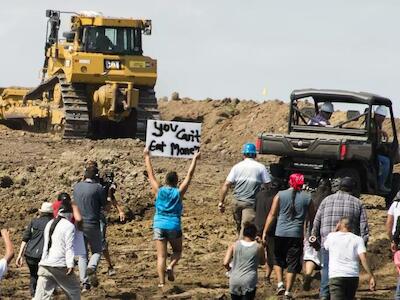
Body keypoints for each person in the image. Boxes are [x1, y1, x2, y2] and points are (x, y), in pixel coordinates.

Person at [144, 148, 200, 287]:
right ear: (176, 182)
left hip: (159, 224)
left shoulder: (159, 190)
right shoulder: (179, 192)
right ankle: (171, 266)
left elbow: (150, 174)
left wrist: (147, 156)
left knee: (161, 256)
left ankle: (162, 283)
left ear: (165, 180)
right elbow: (189, 175)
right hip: (173, 225)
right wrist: (194, 159)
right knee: (177, 251)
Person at [310, 177, 369, 300]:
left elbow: (317, 220)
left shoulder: (326, 200)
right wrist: (363, 244)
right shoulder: (358, 203)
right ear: (352, 188)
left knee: (327, 266)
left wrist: (313, 235)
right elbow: (364, 227)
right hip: (349, 242)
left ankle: (325, 294)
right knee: (346, 266)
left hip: (328, 240)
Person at [262, 173, 314, 299]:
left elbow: (272, 214)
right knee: (293, 263)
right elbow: (312, 217)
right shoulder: (307, 197)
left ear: (290, 182)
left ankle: (280, 284)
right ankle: (288, 291)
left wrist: (265, 231)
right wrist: (311, 232)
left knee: (277, 258)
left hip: (280, 233)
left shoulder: (280, 195)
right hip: (296, 235)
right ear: (302, 184)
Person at [219, 143, 271, 237]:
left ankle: (240, 245)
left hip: (236, 202)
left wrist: (221, 202)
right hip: (250, 203)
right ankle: (242, 247)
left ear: (243, 154)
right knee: (246, 229)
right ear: (255, 154)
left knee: (239, 227)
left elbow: (226, 184)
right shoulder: (260, 168)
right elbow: (268, 185)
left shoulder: (236, 167)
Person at [34, 202, 81, 299]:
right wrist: (70, 264)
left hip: (45, 264)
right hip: (59, 265)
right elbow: (69, 247)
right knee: (74, 291)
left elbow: (46, 245)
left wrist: (42, 261)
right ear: (69, 213)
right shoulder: (69, 226)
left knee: (40, 296)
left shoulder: (50, 223)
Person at [324, 217, 375, 299]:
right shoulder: (358, 239)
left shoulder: (331, 236)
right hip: (352, 275)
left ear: (341, 224)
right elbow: (363, 259)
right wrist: (371, 276)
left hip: (336, 276)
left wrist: (335, 229)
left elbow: (326, 246)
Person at [73, 165, 106, 291]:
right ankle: (92, 266)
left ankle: (85, 284)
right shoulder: (98, 188)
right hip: (93, 224)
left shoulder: (76, 187)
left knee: (82, 255)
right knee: (97, 251)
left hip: (79, 224)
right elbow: (105, 207)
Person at [16, 202, 53, 297]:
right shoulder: (53, 223)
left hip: (30, 254)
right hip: (44, 255)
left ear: (41, 212)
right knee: (44, 277)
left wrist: (20, 255)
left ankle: (33, 294)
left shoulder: (33, 222)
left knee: (33, 275)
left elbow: (25, 239)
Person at [53, 193, 87, 291]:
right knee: (81, 256)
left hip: (57, 231)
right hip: (71, 229)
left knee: (59, 255)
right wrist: (80, 227)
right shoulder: (72, 205)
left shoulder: (55, 205)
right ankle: (84, 282)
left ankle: (58, 284)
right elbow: (79, 219)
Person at [303, 178, 332, 291]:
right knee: (325, 259)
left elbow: (307, 217)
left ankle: (308, 274)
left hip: (312, 230)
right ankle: (324, 285)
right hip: (326, 231)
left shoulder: (312, 197)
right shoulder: (330, 199)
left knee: (311, 255)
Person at [223, 222, 265, 300]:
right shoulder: (258, 247)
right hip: (249, 280)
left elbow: (225, 263)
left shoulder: (234, 245)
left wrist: (230, 269)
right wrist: (261, 243)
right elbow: (263, 262)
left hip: (234, 279)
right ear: (255, 234)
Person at [254, 177, 283, 284]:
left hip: (258, 226)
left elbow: (255, 208)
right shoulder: (278, 197)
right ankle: (268, 277)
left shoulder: (259, 195)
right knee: (272, 254)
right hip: (272, 228)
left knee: (255, 253)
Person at [372, 105, 391, 193]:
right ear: (376, 115)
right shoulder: (371, 123)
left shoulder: (378, 125)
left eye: (383, 118)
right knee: (386, 161)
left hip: (373, 149)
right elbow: (370, 131)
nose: (382, 120)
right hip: (370, 151)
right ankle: (381, 184)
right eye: (381, 117)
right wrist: (381, 132)